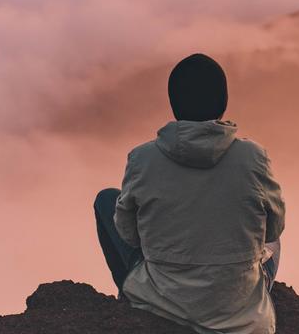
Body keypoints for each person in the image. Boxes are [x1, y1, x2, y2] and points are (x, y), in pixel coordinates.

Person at [93, 53, 285, 333]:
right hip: (239, 309)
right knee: (275, 243)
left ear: (174, 105)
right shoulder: (253, 157)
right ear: (223, 103)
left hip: (162, 299)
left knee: (106, 199)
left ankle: (128, 294)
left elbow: (129, 235)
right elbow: (272, 230)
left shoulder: (142, 158)